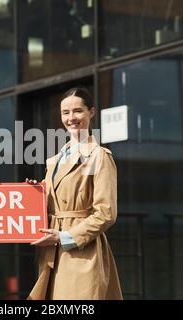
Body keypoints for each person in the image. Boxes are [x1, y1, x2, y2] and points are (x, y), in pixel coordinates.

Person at [27, 87, 123, 300]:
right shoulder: (55, 160)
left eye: (78, 111)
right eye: (65, 113)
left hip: (82, 253)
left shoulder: (100, 157)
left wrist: (64, 237)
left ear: (91, 112)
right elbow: (56, 201)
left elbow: (106, 213)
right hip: (52, 256)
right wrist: (36, 194)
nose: (71, 118)